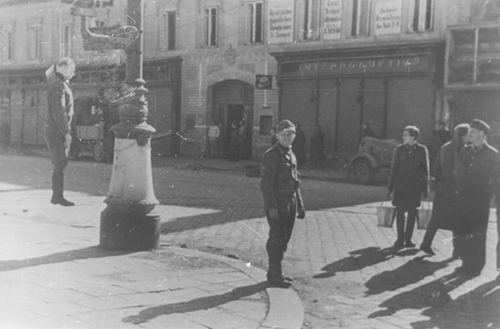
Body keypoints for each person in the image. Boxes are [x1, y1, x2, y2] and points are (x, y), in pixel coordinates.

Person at [260, 119, 306, 288]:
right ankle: (274, 275)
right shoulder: (271, 155)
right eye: (284, 134)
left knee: (284, 239)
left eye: (291, 134)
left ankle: (276, 273)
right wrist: (271, 206)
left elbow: (295, 182)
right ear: (277, 136)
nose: (288, 137)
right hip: (278, 203)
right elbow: (266, 185)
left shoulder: (291, 154)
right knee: (276, 239)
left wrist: (300, 205)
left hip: (290, 202)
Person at [454, 119, 499, 277]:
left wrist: (488, 193)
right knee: (465, 229)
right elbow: (459, 171)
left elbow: (496, 177)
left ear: (482, 134)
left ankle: (477, 265)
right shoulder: (465, 151)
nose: (469, 134)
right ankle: (466, 262)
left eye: (472, 131)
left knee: (478, 231)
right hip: (464, 197)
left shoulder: (492, 154)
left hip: (480, 199)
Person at [419, 123, 470, 256]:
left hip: (444, 190)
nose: (468, 138)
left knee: (439, 219)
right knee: (455, 220)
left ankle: (427, 244)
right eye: (467, 135)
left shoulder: (446, 147)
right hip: (450, 190)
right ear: (462, 136)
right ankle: (456, 250)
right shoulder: (459, 150)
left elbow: (436, 169)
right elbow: (450, 171)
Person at [388, 125, 429, 248]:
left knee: (412, 213)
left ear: (413, 137)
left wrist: (425, 189)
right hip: (401, 186)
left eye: (405, 134)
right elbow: (393, 169)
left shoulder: (422, 150)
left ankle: (408, 239)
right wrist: (390, 187)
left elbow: (425, 170)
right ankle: (400, 239)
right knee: (400, 212)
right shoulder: (399, 150)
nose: (402, 136)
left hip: (414, 188)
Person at [44, 57, 76, 206]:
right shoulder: (59, 85)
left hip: (55, 130)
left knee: (60, 162)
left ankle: (56, 196)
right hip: (57, 131)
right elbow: (59, 111)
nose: (73, 73)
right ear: (64, 69)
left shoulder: (58, 84)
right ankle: (57, 197)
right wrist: (66, 133)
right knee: (60, 162)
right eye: (71, 69)